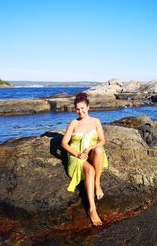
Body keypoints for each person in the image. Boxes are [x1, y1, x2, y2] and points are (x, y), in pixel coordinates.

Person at [62, 92, 108, 226]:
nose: (80, 111)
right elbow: (64, 143)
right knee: (90, 171)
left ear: (88, 107)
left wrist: (90, 148)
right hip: (77, 155)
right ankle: (92, 209)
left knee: (99, 150)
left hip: (91, 152)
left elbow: (102, 140)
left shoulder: (96, 121)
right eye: (77, 109)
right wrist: (77, 154)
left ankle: (97, 184)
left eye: (82, 108)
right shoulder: (73, 123)